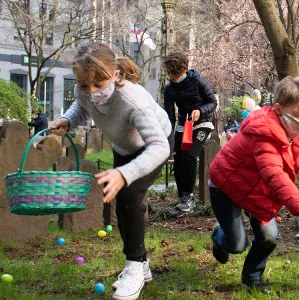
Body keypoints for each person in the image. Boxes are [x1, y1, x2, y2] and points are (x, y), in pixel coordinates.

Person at [50, 42, 173, 300]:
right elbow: (83, 107)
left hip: (154, 144)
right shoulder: (83, 90)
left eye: (99, 84)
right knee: (120, 201)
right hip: (123, 147)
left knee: (130, 195)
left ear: (115, 75)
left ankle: (133, 268)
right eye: (85, 86)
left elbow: (160, 146)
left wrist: (125, 174)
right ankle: (141, 263)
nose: (92, 92)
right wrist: (68, 119)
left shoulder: (133, 100)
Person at [208, 76, 299, 293]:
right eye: (297, 116)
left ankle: (252, 277)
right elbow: (275, 175)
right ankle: (220, 236)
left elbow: (293, 151)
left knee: (269, 236)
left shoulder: (290, 128)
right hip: (226, 186)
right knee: (237, 244)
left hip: (255, 189)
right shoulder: (264, 134)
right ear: (278, 109)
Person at [163, 51, 217, 216]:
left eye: (176, 74)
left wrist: (200, 111)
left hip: (202, 123)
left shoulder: (198, 82)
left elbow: (212, 102)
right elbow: (170, 114)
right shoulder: (169, 89)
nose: (173, 77)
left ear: (185, 69)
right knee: (178, 156)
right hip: (183, 124)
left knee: (189, 153)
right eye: (170, 74)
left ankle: (190, 195)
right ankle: (182, 196)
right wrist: (170, 137)